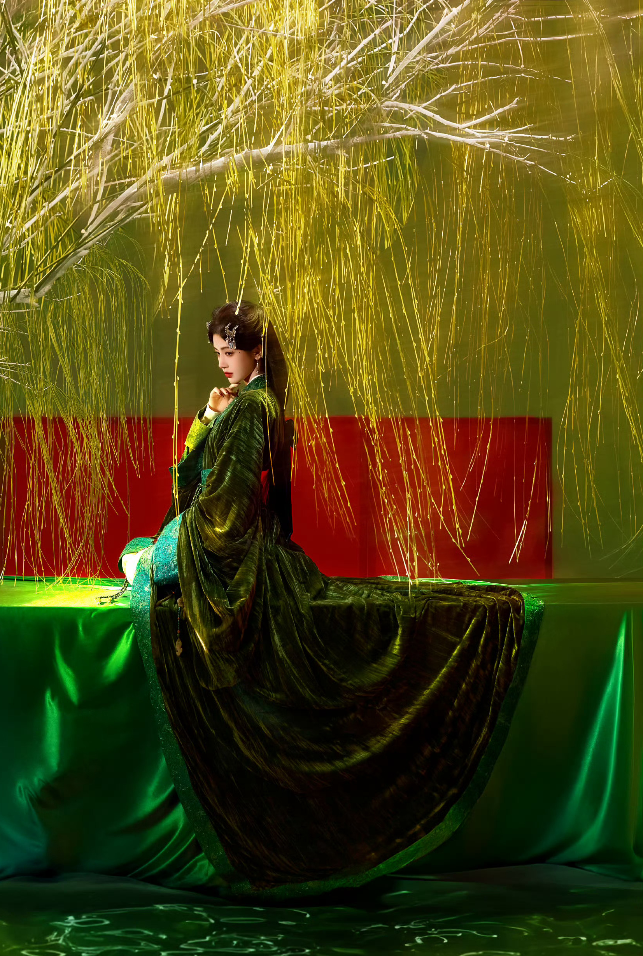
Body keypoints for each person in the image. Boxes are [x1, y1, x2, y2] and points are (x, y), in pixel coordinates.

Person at [120, 301, 542, 897]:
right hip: (234, 536)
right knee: (138, 558)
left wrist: (179, 543)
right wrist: (211, 417)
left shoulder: (254, 408)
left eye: (229, 352)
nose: (222, 363)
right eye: (216, 353)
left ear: (257, 350)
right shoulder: (255, 404)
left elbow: (223, 506)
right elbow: (207, 484)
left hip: (228, 544)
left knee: (136, 562)